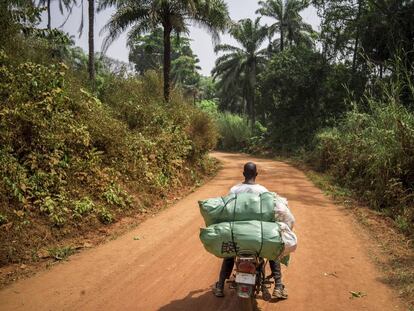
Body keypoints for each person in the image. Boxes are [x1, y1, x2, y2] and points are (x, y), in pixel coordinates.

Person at [213, 162, 291, 299]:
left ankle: (220, 286)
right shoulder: (263, 191)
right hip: (258, 237)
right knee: (273, 252)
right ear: (256, 174)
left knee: (229, 255)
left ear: (243, 174)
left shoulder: (234, 190)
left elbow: (226, 210)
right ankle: (278, 286)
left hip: (237, 235)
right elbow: (271, 211)